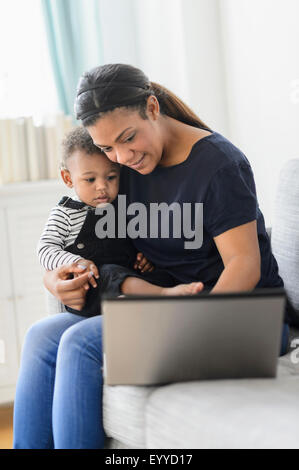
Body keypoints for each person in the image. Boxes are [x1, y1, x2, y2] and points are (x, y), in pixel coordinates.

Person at [13, 63, 290, 449]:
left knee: (81, 343)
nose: (122, 157)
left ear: (153, 108)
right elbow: (90, 240)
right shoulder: (132, 165)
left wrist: (177, 322)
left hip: (245, 317)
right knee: (42, 335)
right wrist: (56, 280)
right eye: (108, 148)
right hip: (170, 302)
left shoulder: (219, 165)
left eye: (128, 139)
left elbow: (244, 267)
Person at [37, 126, 204, 317]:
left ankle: (157, 296)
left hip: (127, 277)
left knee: (160, 274)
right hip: (91, 288)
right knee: (110, 273)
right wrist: (77, 262)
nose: (102, 187)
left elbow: (128, 242)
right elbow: (45, 249)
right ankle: (164, 295)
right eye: (90, 180)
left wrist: (142, 257)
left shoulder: (120, 207)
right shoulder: (65, 213)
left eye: (110, 177)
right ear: (68, 178)